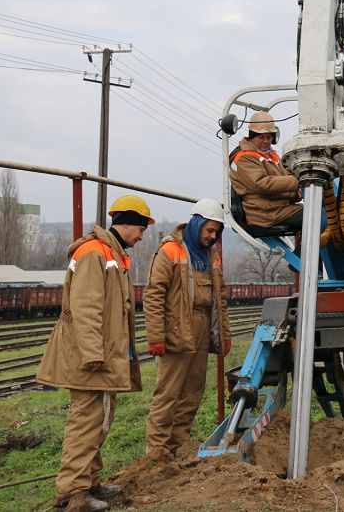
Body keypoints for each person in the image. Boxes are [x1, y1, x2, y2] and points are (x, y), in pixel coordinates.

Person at [37, 195, 153, 512]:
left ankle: (89, 482)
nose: (142, 236)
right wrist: (92, 354)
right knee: (86, 422)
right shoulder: (94, 252)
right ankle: (73, 495)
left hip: (103, 355)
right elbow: (86, 307)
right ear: (127, 223)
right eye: (141, 229)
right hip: (91, 358)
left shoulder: (111, 253)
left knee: (99, 419)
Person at [143, 198, 232, 460]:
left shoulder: (212, 255)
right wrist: (156, 336)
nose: (212, 236)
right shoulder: (170, 250)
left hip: (202, 326)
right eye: (209, 230)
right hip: (178, 327)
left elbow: (221, 298)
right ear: (196, 224)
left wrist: (224, 334)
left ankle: (178, 446)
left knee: (193, 391)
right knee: (168, 392)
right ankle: (157, 452)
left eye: (217, 232)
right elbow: (154, 295)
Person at [229, 111, 302, 230]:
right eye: (261, 137)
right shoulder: (244, 158)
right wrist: (299, 182)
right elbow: (263, 184)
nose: (266, 141)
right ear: (252, 136)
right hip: (265, 213)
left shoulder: (271, 155)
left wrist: (300, 188)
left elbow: (286, 177)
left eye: (269, 137)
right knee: (321, 217)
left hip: (280, 208)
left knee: (327, 209)